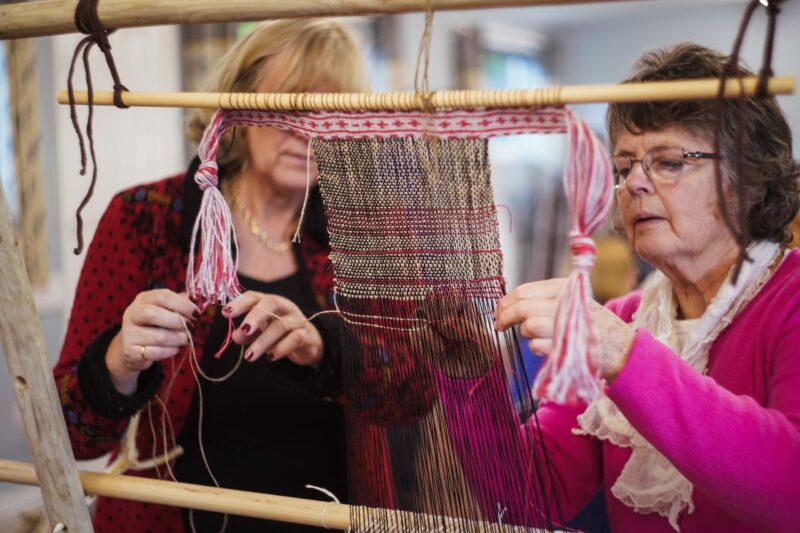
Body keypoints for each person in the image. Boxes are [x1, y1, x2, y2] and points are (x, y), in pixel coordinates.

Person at [436, 43, 800, 532]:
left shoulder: (789, 300)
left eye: (669, 161)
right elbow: (531, 497)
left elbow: (791, 491)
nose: (634, 185)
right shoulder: (624, 316)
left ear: (750, 176)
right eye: (625, 166)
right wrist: (473, 381)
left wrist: (626, 355)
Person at [53, 19, 368, 532]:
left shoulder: (361, 235)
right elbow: (69, 436)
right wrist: (119, 361)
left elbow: (407, 398)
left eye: (328, 110)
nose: (306, 128)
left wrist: (321, 349)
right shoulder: (145, 218)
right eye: (288, 104)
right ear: (237, 107)